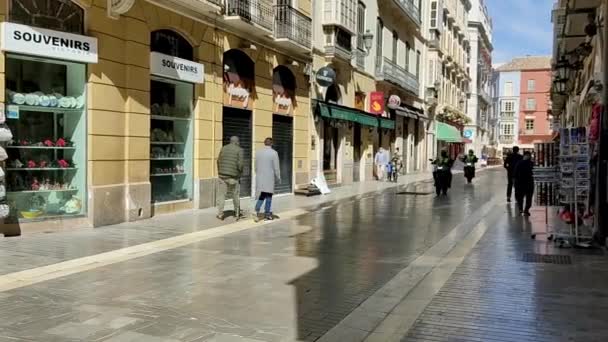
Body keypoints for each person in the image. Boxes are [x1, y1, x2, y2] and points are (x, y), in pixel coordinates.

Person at [216, 136, 244, 220]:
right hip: (233, 177)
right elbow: (240, 164)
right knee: (235, 195)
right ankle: (237, 214)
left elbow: (218, 161)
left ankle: (220, 214)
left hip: (222, 176)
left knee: (221, 195)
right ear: (236, 142)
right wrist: (240, 173)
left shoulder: (223, 148)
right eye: (238, 141)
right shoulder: (239, 150)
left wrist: (220, 171)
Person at [253, 137, 281, 222]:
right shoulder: (274, 153)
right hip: (269, 178)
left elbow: (255, 166)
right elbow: (276, 168)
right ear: (271, 143)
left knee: (262, 195)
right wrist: (278, 177)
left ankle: (256, 210)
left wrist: (258, 174)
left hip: (260, 177)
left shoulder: (258, 152)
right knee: (268, 196)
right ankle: (267, 214)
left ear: (264, 143)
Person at [514, 151, 534, 216]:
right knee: (528, 197)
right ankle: (525, 210)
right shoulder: (531, 163)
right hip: (528, 183)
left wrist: (515, 182)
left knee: (521, 197)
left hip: (521, 183)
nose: (529, 157)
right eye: (528, 155)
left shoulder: (519, 163)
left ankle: (522, 210)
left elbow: (515, 173)